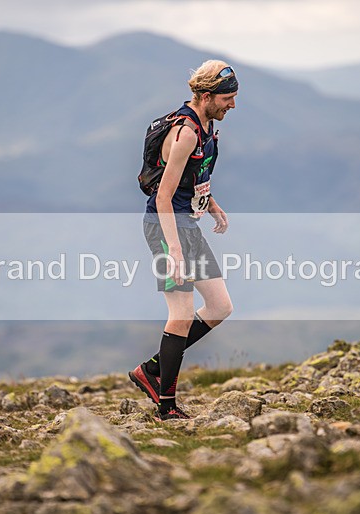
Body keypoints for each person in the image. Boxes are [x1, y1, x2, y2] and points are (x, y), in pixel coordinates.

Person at [128, 60, 238, 420]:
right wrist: (173, 249)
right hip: (166, 228)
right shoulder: (185, 133)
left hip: (187, 225)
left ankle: (152, 369)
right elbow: (163, 196)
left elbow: (195, 176)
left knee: (220, 307)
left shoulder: (207, 125)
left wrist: (213, 205)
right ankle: (166, 405)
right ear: (207, 96)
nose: (232, 105)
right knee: (181, 313)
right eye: (228, 98)